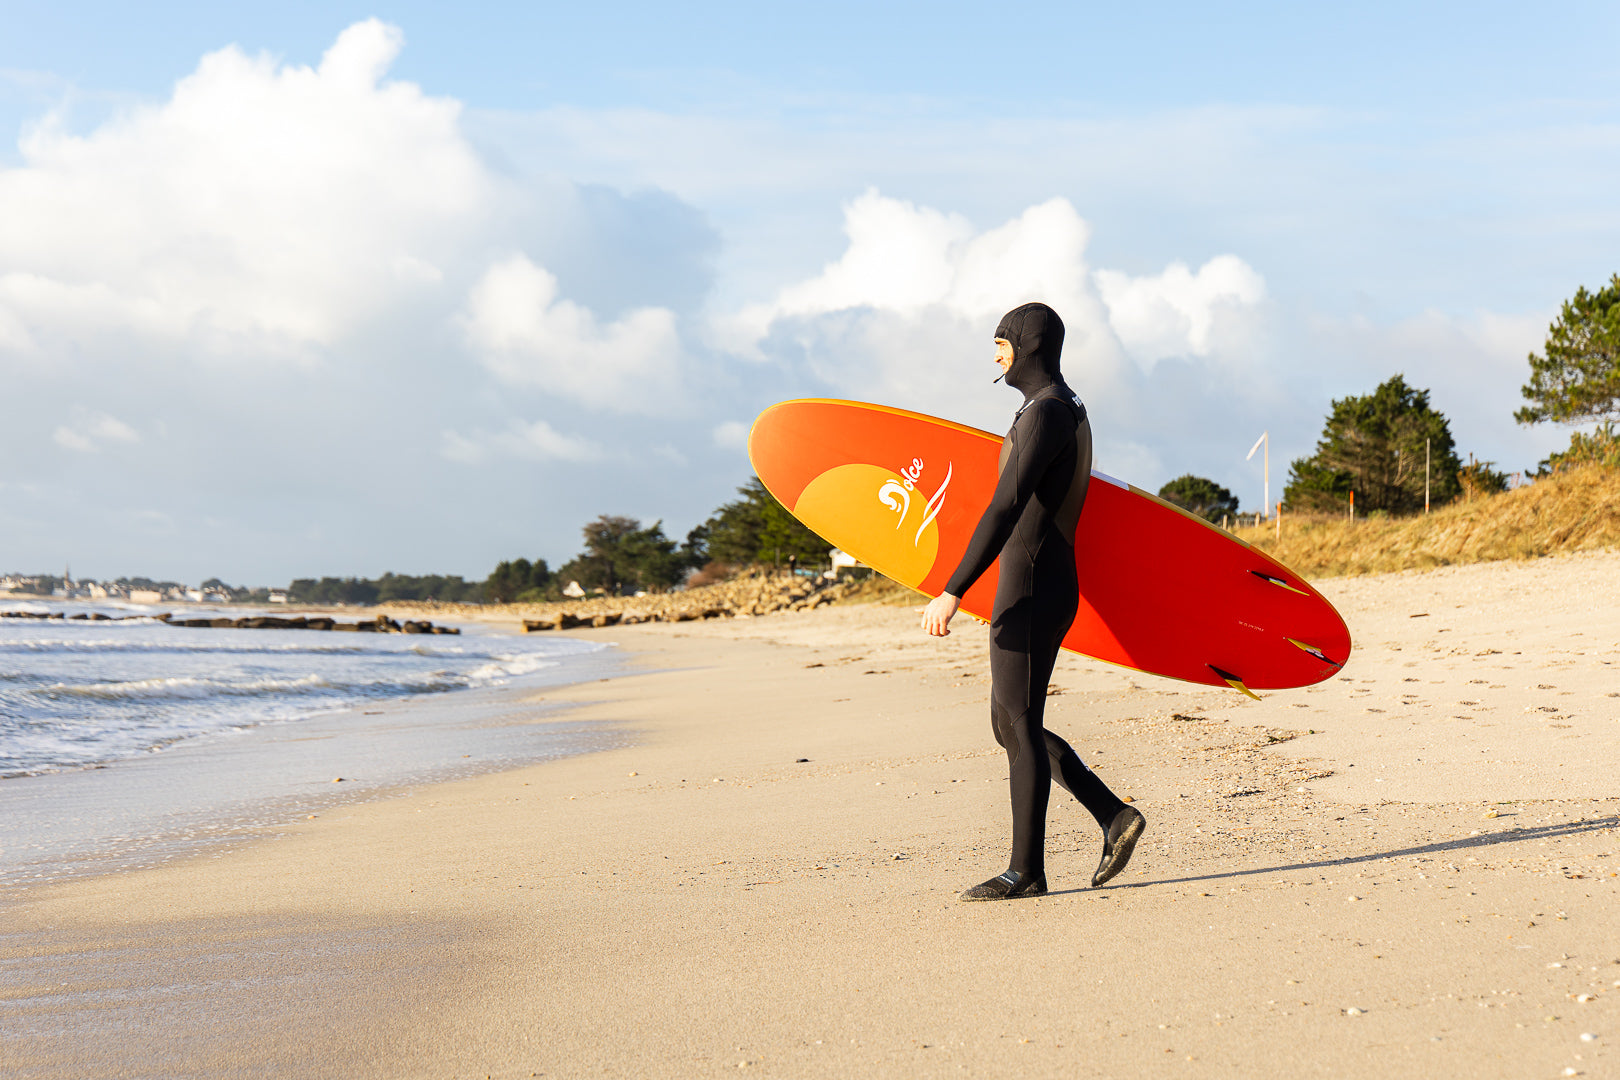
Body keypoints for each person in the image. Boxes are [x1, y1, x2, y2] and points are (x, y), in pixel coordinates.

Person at [920, 302, 1145, 901]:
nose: (995, 357)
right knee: (1009, 721)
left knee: (1017, 722)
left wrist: (952, 588)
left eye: (1001, 344)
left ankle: (1027, 871)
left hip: (1031, 582)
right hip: (1044, 579)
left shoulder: (1045, 413)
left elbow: (1006, 506)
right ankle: (1111, 814)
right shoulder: (1065, 409)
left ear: (1028, 346)